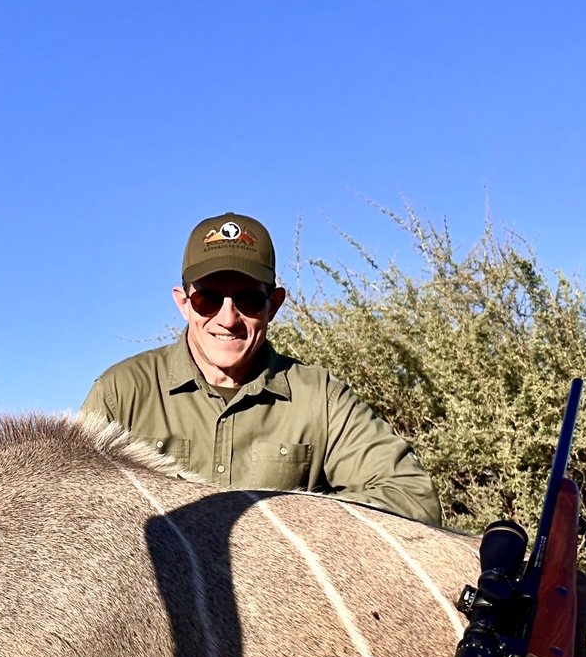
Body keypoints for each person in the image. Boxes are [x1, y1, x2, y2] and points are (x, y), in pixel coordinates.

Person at [81, 212, 441, 525]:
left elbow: (412, 495)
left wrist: (280, 530)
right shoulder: (121, 393)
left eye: (249, 299)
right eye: (207, 298)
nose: (228, 318)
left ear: (275, 304)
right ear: (183, 303)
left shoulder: (320, 397)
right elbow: (74, 513)